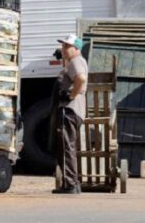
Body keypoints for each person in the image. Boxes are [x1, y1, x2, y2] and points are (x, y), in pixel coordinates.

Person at [53, 33, 88, 194]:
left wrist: (71, 95)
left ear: (77, 48)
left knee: (66, 146)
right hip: (73, 109)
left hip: (70, 109)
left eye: (67, 46)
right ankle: (72, 183)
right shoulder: (73, 62)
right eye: (63, 46)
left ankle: (70, 184)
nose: (64, 49)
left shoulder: (76, 62)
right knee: (67, 146)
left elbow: (80, 78)